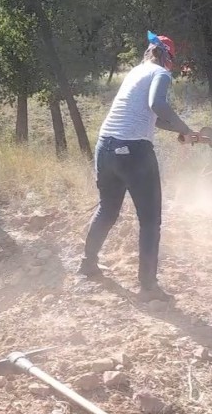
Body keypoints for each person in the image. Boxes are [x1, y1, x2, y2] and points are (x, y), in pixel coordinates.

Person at [78, 31, 197, 302]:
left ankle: (88, 264)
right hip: (133, 152)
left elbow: (149, 117)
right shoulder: (160, 74)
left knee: (107, 210)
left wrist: (182, 130)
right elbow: (157, 104)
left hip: (105, 147)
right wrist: (184, 128)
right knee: (150, 220)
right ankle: (148, 287)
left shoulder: (136, 72)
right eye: (171, 60)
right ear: (166, 56)